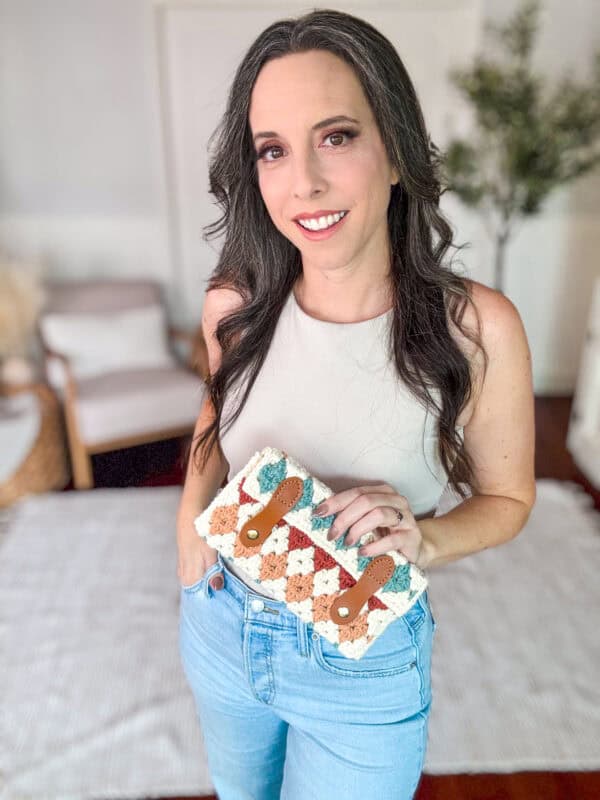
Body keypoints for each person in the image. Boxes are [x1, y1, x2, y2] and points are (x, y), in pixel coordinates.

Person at [177, 8, 536, 800]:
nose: (303, 180)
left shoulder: (476, 329)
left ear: (398, 153)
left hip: (362, 658)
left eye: (336, 137)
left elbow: (509, 499)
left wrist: (428, 541)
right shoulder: (231, 306)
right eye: (273, 150)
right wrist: (187, 517)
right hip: (222, 625)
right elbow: (215, 418)